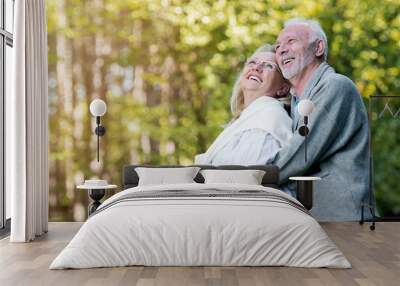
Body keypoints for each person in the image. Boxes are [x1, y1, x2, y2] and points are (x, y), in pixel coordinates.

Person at [273, 18, 372, 221]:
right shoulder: (294, 103)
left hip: (344, 223)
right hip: (312, 222)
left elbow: (298, 157)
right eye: (277, 46)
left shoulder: (335, 86)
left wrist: (243, 177)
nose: (282, 50)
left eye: (291, 41)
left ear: (318, 47)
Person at [195, 44, 292, 165]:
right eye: (252, 62)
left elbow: (246, 174)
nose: (256, 68)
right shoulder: (247, 118)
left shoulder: (269, 118)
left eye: (269, 65)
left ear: (283, 88)